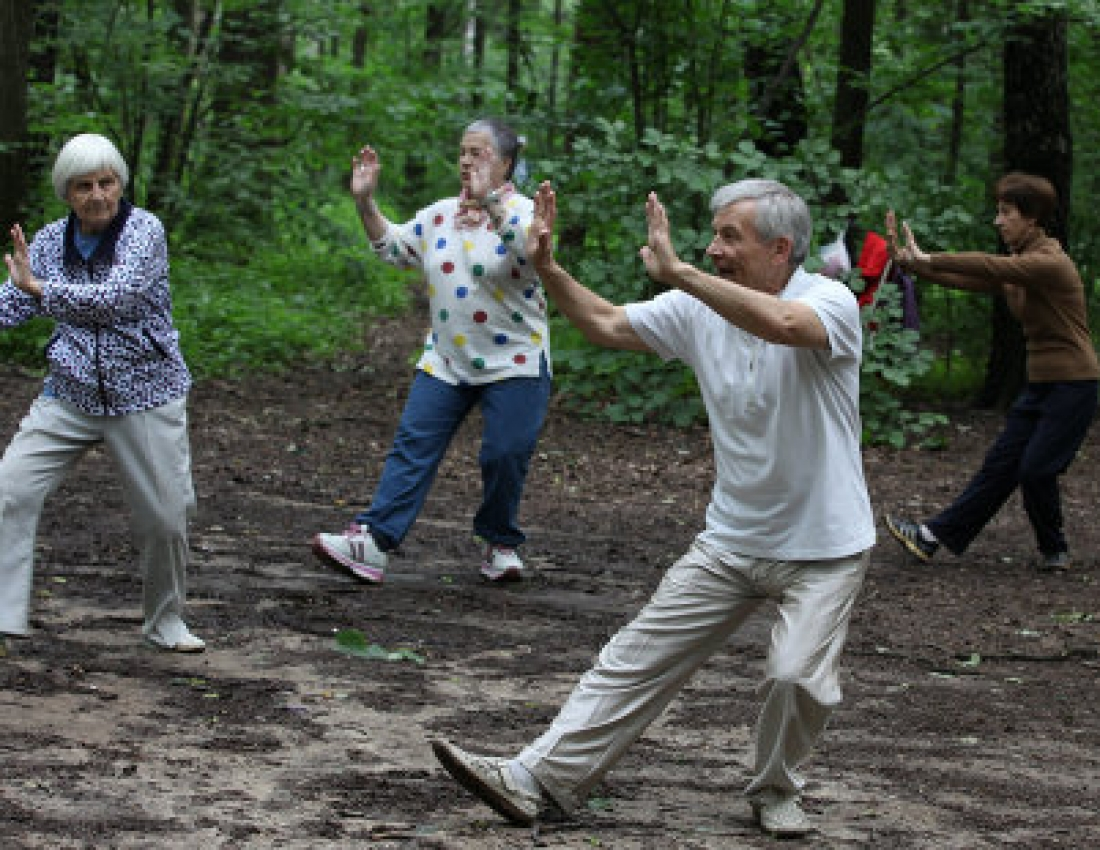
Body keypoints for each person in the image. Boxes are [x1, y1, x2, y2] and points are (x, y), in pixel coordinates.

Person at [431, 178, 876, 838]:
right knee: (634, 656)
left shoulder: (829, 300)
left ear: (780, 248)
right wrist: (547, 267)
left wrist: (683, 274)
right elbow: (606, 322)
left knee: (794, 679)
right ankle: (536, 779)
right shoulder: (697, 309)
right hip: (732, 539)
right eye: (713, 233)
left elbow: (782, 325)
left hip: (825, 545)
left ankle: (776, 788)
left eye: (730, 236)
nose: (712, 247)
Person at [311, 118, 551, 583]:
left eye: (478, 153)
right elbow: (393, 248)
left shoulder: (524, 213)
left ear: (505, 164)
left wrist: (491, 209)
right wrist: (365, 203)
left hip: (516, 359)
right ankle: (374, 542)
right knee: (412, 446)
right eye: (462, 152)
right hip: (446, 359)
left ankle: (500, 542)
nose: (466, 161)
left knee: (504, 454)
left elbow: (528, 257)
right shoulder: (440, 214)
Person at [0, 133, 203, 652]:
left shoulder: (144, 231)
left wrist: (40, 289)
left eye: (106, 183)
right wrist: (27, 289)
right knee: (10, 490)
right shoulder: (47, 241)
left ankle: (165, 621)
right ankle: (4, 616)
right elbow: (13, 304)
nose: (97, 195)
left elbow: (113, 299)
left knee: (165, 516)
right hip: (69, 394)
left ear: (121, 184)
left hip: (146, 393)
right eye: (83, 186)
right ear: (66, 193)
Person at [883, 172, 1099, 572]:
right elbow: (972, 277)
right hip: (1041, 385)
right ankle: (932, 537)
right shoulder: (1021, 264)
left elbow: (987, 266)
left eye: (1006, 213)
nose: (998, 221)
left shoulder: (1050, 263)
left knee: (1036, 469)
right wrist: (914, 266)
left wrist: (929, 258)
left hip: (1074, 384)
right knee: (1001, 464)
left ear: (1031, 218)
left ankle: (1055, 549)